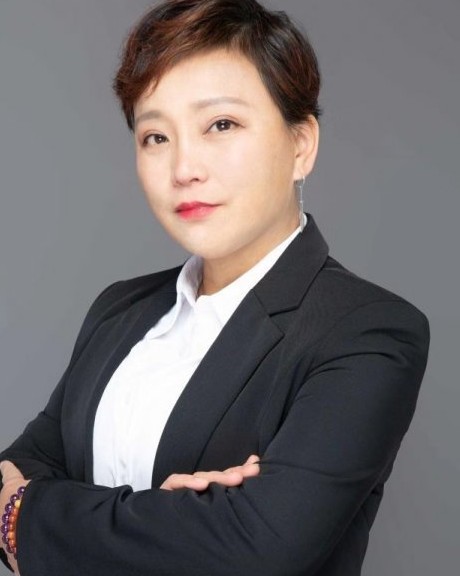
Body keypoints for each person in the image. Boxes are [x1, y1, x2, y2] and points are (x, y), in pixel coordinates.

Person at [0, 0, 430, 575]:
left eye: (221, 125)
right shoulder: (120, 310)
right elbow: (16, 466)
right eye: (156, 136)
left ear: (301, 144)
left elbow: (255, 549)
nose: (184, 169)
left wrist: (20, 517)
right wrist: (162, 521)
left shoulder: (367, 330)